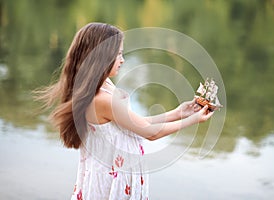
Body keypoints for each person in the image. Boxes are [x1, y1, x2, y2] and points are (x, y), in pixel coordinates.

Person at [35, 22, 213, 200]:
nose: (122, 60)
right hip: (110, 182)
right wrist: (193, 120)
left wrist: (178, 113)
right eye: (118, 54)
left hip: (113, 175)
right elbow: (150, 133)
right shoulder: (103, 100)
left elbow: (135, 123)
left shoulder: (103, 84)